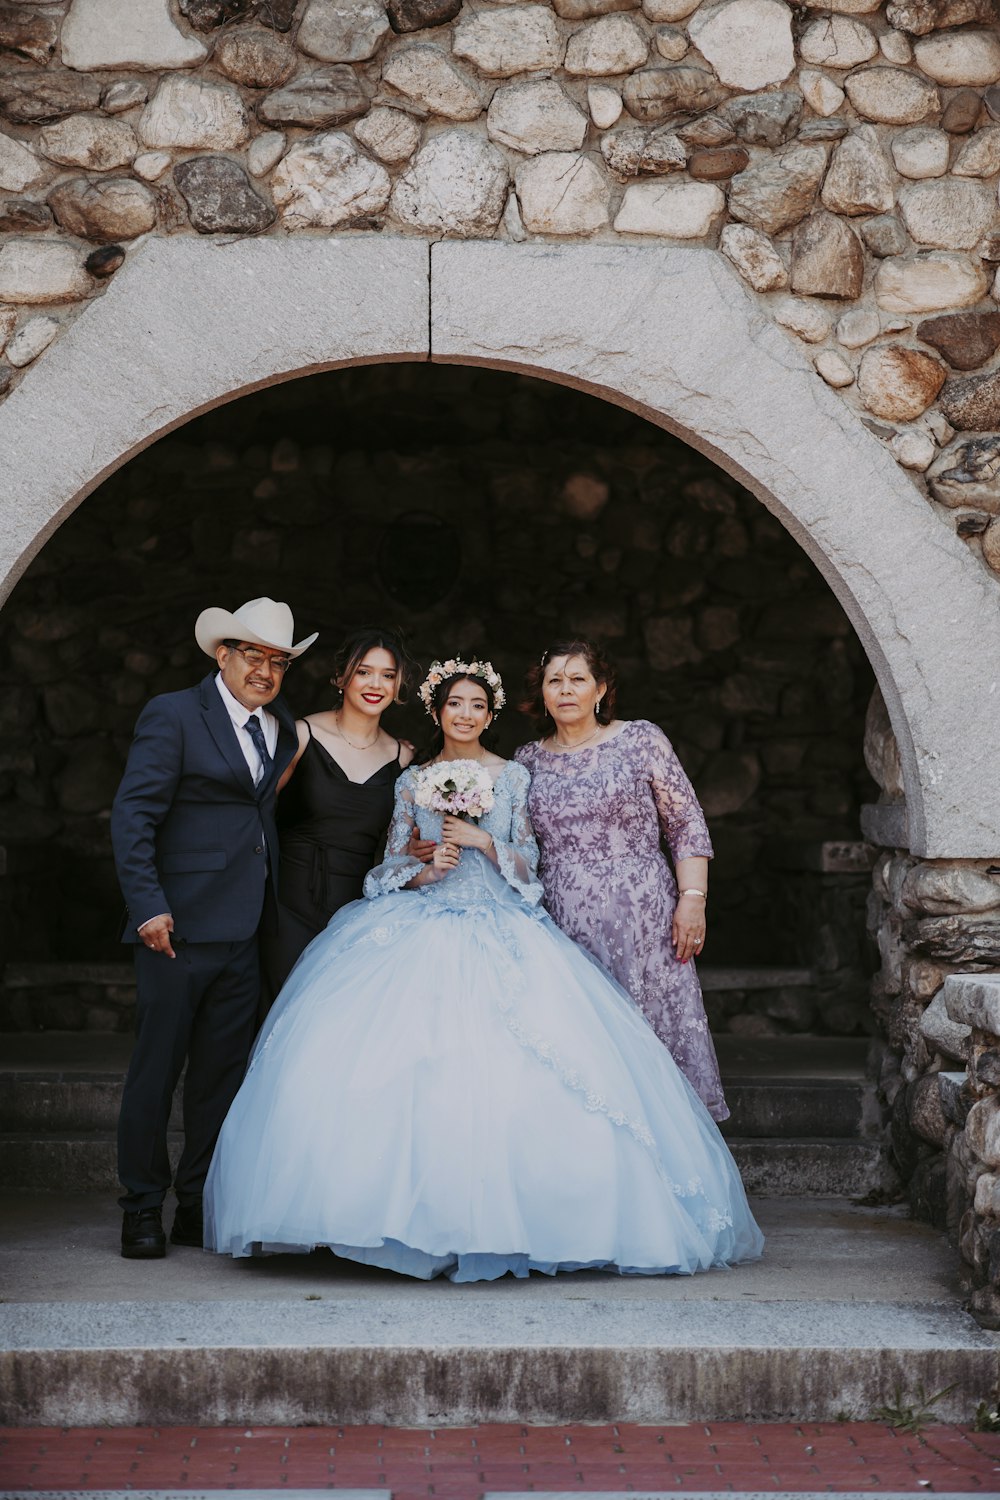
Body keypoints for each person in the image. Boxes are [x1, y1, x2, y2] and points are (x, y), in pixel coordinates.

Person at [204, 656, 763, 1282]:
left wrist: (486, 844)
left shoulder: (517, 775)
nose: (465, 715)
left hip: (503, 928)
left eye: (477, 705)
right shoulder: (410, 779)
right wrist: (428, 868)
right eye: (454, 705)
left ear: (491, 714)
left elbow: (531, 869)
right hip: (422, 928)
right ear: (437, 713)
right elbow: (383, 872)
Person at [110, 597, 316, 1260]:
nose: (264, 669)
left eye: (277, 661)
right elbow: (133, 815)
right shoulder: (173, 714)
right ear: (221, 654)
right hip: (175, 929)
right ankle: (142, 1206)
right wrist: (147, 905)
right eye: (252, 654)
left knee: (220, 1079)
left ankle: (195, 1204)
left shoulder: (281, 727)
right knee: (156, 1073)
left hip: (246, 930)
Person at [514, 639, 727, 1122]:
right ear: (542, 695)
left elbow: (686, 823)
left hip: (644, 918)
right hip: (564, 923)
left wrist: (693, 898)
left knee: (650, 1036)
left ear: (600, 689)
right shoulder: (527, 760)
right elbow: (517, 845)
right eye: (554, 681)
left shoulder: (641, 739)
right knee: (585, 1043)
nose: (565, 690)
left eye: (577, 679)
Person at [262, 626, 416, 996]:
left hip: (355, 912)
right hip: (288, 904)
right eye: (364, 671)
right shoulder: (301, 736)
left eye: (388, 675)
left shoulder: (403, 758)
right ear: (341, 678)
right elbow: (256, 813)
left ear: (397, 688)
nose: (375, 683)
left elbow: (402, 840)